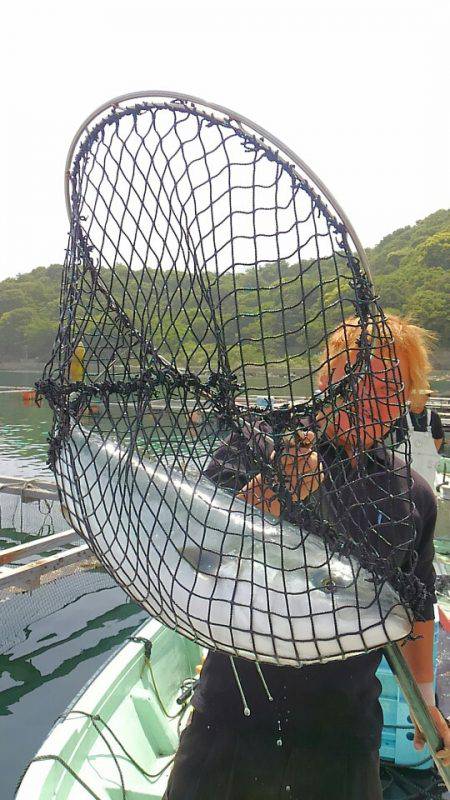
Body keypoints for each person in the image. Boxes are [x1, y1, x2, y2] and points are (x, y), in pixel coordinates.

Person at [163, 315, 450, 800]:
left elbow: (416, 608)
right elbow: (193, 548)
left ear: (406, 399)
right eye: (355, 381)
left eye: (390, 388)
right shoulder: (256, 445)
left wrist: (425, 699)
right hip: (231, 716)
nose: (371, 400)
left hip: (345, 732)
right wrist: (269, 492)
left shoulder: (412, 494)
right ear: (323, 381)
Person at [394, 389, 445, 489]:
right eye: (417, 396)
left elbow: (438, 438)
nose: (420, 400)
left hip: (426, 467)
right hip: (405, 464)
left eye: (424, 397)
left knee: (426, 490)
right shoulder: (401, 415)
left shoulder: (433, 417)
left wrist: (429, 455)